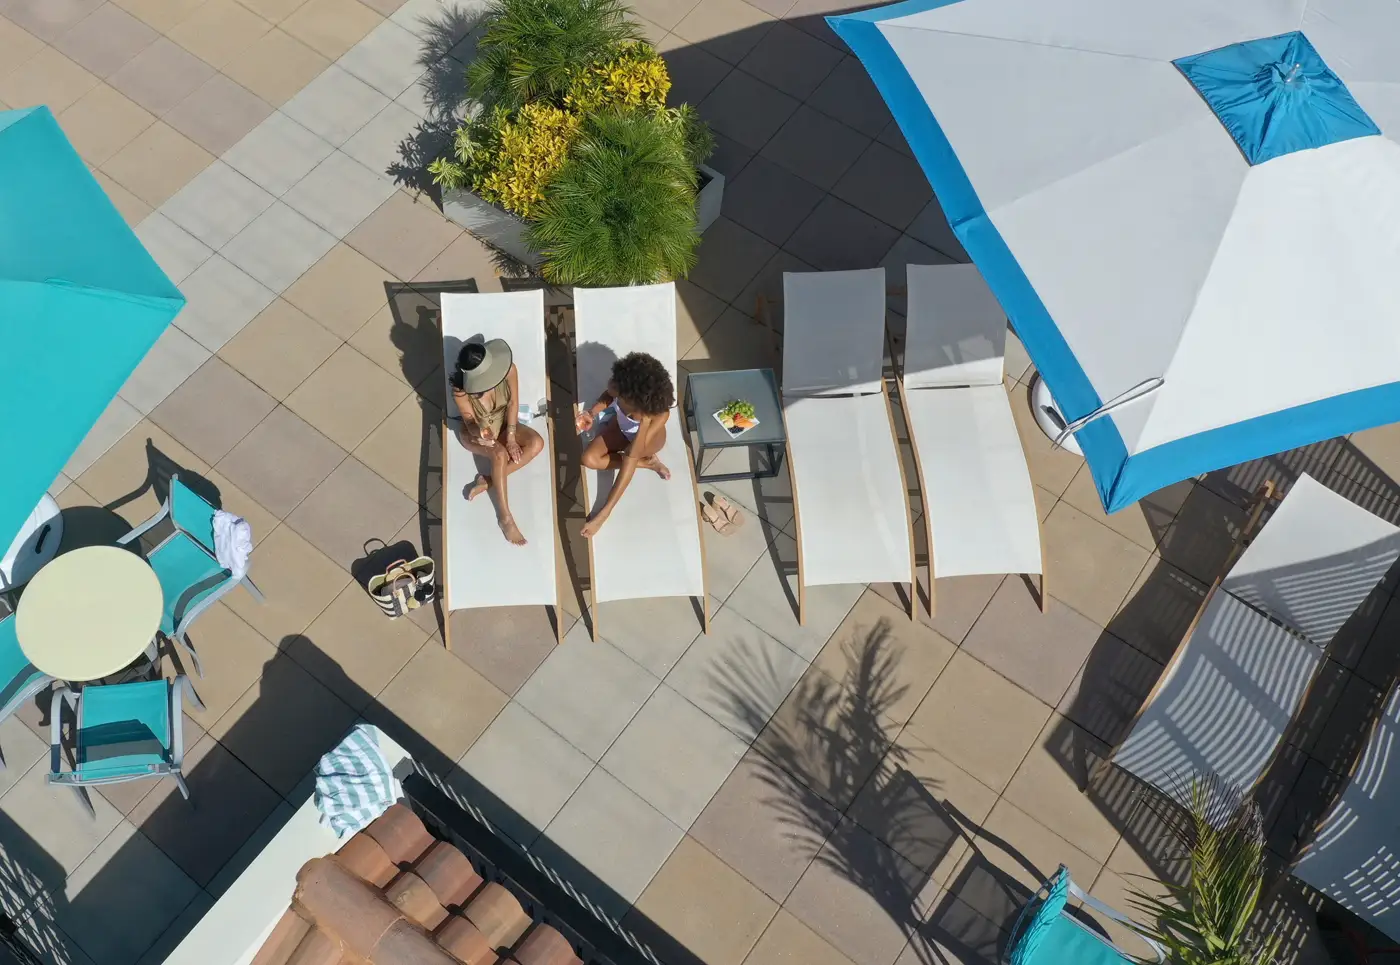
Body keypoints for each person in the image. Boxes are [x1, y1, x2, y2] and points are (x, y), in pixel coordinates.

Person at [450, 338, 544, 546]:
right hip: (474, 434)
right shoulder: (461, 391)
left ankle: (488, 481)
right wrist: (480, 434)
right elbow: (469, 421)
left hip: (503, 425)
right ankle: (505, 517)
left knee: (536, 443)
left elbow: (513, 402)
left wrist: (510, 437)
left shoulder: (509, 370)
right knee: (499, 455)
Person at [575, 352, 673, 538]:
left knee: (632, 457)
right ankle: (648, 463)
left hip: (644, 443)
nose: (611, 384)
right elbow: (608, 395)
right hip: (620, 428)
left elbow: (630, 457)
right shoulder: (620, 388)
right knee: (588, 459)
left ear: (635, 402)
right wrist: (591, 413)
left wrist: (602, 515)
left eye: (617, 386)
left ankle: (648, 459)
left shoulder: (656, 416)